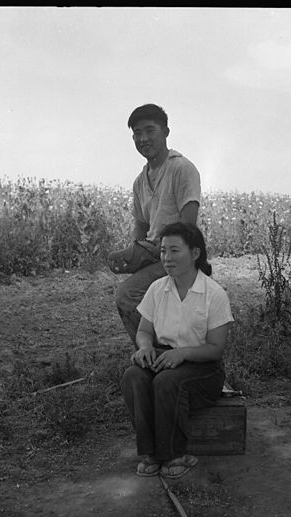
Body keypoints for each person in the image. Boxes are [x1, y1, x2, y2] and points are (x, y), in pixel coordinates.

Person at [120, 222, 234, 479]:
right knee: (133, 376)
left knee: (167, 382)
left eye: (174, 251)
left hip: (202, 370)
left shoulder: (213, 294)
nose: (167, 258)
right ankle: (151, 453)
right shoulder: (157, 289)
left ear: (194, 253)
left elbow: (215, 350)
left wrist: (181, 354)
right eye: (162, 252)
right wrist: (145, 348)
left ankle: (174, 454)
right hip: (164, 358)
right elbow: (144, 331)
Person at [114, 103, 201, 345]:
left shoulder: (181, 169)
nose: (143, 139)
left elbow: (189, 230)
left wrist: (160, 251)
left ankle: (155, 353)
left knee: (128, 295)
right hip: (155, 257)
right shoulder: (140, 181)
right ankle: (156, 353)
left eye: (150, 131)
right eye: (137, 133)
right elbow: (141, 228)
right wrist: (135, 254)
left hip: (179, 254)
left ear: (166, 132)